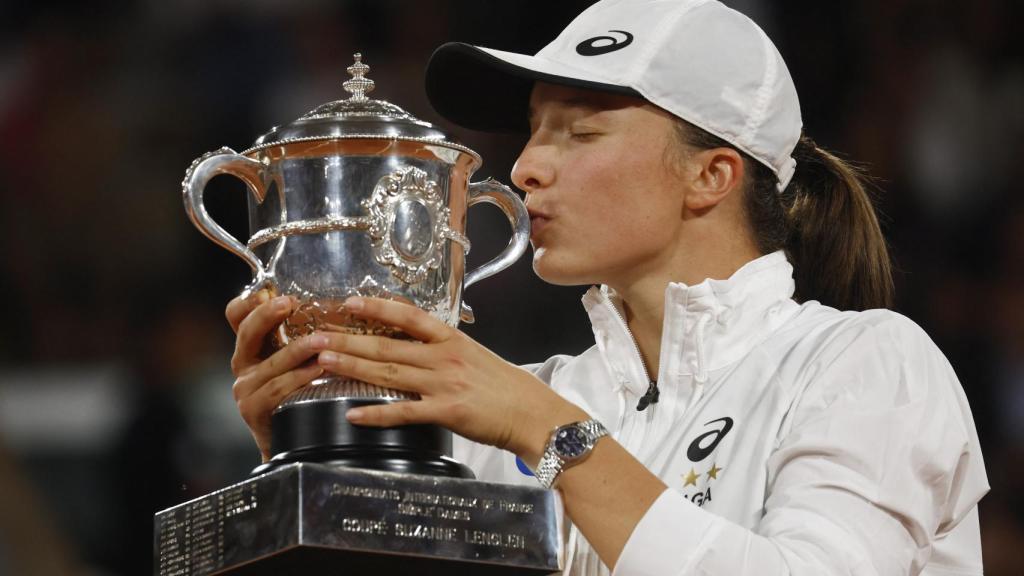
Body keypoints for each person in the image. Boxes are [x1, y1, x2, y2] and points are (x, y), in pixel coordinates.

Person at [225, 0, 989, 574]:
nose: (525, 168)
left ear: (710, 175)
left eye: (580, 131)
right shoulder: (506, 415)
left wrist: (551, 432)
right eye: (532, 130)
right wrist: (308, 454)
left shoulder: (863, 364)